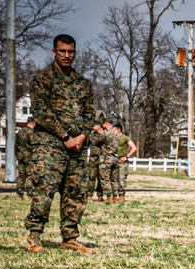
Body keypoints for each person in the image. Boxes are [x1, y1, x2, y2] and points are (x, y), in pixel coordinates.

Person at [23, 34, 101, 254]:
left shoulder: (82, 83)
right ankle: (34, 236)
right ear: (54, 52)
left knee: (75, 193)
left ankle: (70, 237)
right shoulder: (43, 78)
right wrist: (65, 137)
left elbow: (89, 113)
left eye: (71, 51)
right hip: (50, 145)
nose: (67, 55)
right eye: (62, 51)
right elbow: (41, 112)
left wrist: (82, 137)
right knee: (44, 191)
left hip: (77, 147)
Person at [98, 115, 119, 203]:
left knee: (104, 179)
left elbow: (97, 142)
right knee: (113, 179)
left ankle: (109, 197)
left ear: (105, 123)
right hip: (114, 158)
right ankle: (115, 197)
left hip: (106, 159)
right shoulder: (116, 134)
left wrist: (100, 133)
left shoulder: (106, 133)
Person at [15, 117, 37, 200]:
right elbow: (33, 144)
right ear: (33, 123)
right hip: (28, 156)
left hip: (20, 156)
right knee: (29, 175)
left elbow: (16, 145)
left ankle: (19, 194)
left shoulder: (20, 132)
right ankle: (29, 194)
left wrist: (17, 154)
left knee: (21, 175)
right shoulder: (30, 132)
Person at [114, 122, 137, 202]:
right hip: (114, 160)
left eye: (114, 130)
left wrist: (126, 156)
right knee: (115, 179)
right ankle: (115, 195)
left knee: (121, 178)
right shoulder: (113, 138)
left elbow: (134, 148)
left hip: (122, 162)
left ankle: (121, 196)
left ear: (118, 130)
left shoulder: (125, 138)